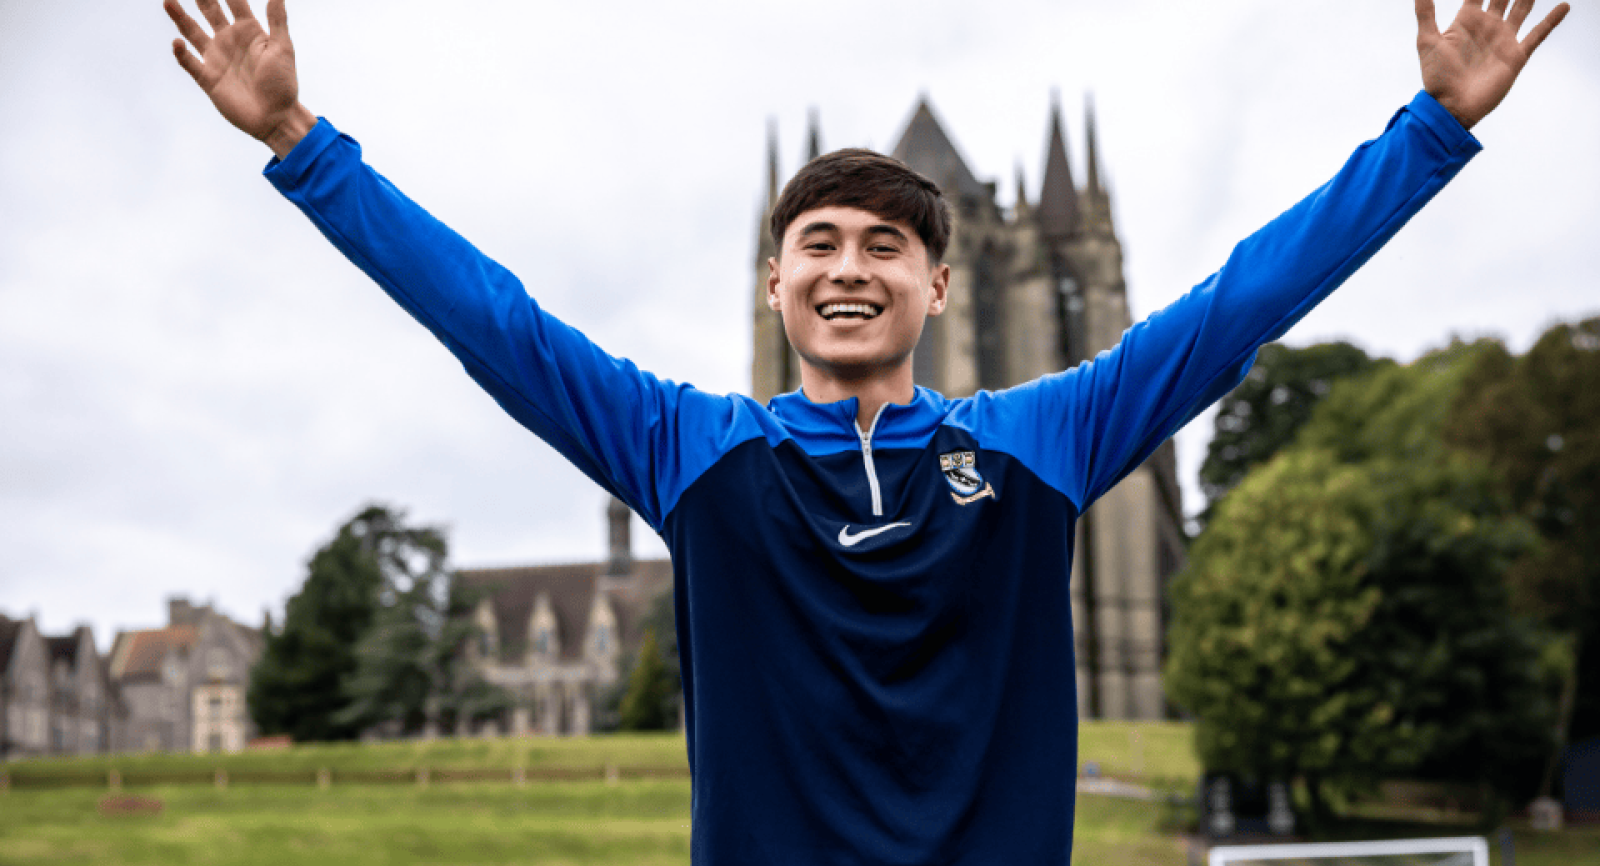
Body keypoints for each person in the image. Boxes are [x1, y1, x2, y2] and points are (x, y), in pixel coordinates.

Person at [163, 0, 1568, 862]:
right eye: (818, 243)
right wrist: (303, 146)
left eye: (885, 244)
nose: (849, 266)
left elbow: (1240, 304)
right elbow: (496, 323)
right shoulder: (692, 450)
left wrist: (1430, 133)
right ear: (773, 286)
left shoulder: (1040, 440)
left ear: (939, 286)